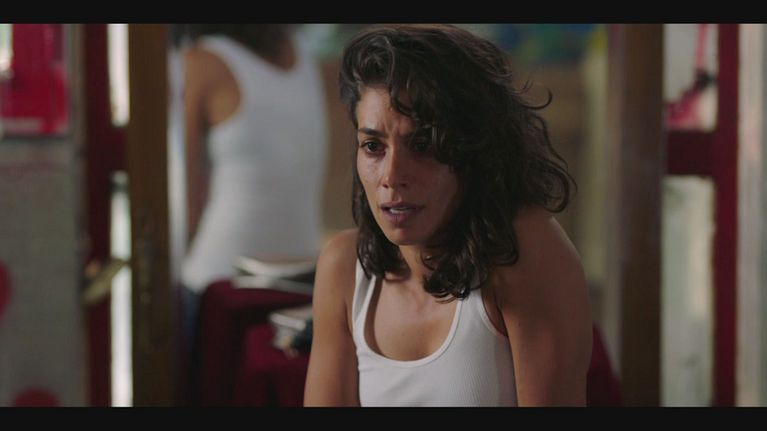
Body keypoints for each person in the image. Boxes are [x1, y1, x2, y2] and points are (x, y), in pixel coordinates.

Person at [303, 24, 593, 407]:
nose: (391, 176)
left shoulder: (524, 251)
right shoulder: (344, 267)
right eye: (373, 146)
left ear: (475, 151)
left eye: (423, 144)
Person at [170, 24, 328, 401]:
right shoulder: (301, 56)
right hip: (301, 280)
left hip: (222, 287)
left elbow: (182, 194)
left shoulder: (202, 62)